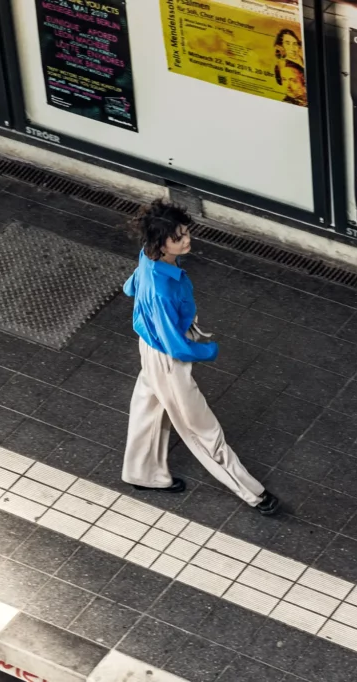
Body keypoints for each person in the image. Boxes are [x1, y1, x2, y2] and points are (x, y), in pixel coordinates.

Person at [120, 201, 280, 516]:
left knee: (148, 409)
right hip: (167, 358)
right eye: (178, 237)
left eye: (186, 233)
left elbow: (130, 287)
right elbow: (176, 346)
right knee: (199, 428)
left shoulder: (148, 258)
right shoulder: (162, 289)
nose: (186, 240)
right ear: (160, 242)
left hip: (151, 349)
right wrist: (209, 350)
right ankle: (254, 494)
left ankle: (143, 473)